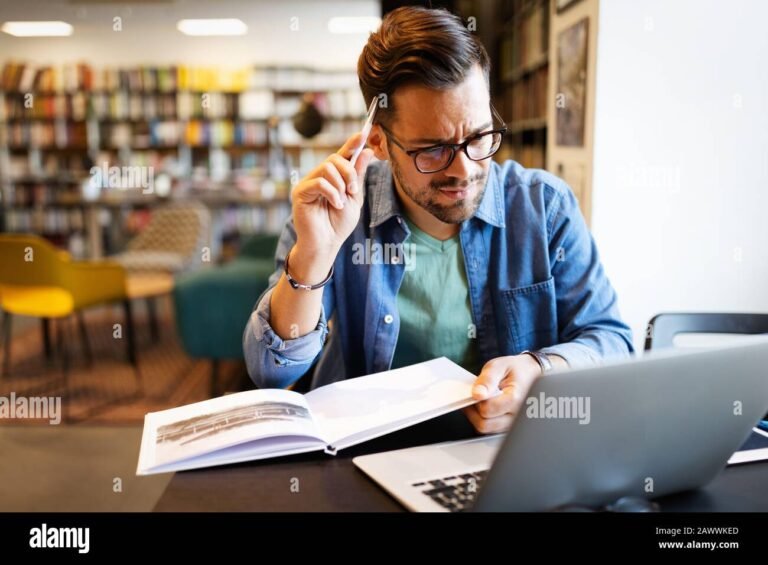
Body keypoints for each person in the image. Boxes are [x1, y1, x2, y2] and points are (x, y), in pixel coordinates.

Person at [244, 6, 633, 434]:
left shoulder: (545, 207)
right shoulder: (336, 214)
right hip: (367, 459)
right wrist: (314, 256)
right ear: (379, 142)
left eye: (480, 137)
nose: (464, 170)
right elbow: (271, 372)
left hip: (504, 459)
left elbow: (612, 340)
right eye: (433, 150)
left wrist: (539, 368)